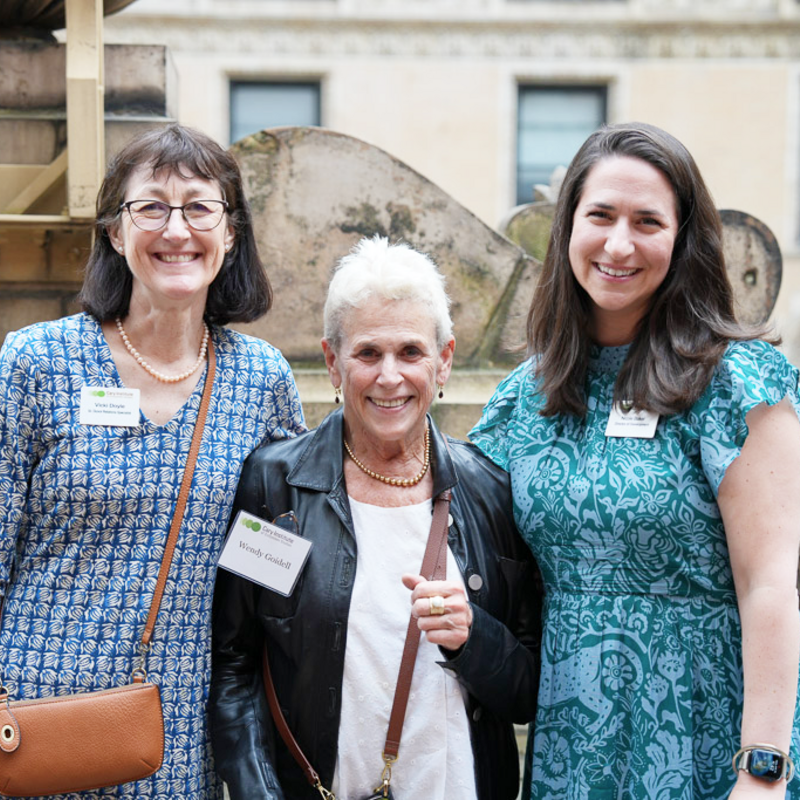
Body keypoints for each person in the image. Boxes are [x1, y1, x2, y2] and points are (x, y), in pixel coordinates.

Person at [469, 121, 800, 799]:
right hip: (572, 747)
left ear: (683, 240)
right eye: (601, 216)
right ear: (568, 228)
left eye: (647, 221)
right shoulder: (525, 397)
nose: (619, 244)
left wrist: (763, 768)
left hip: (707, 736)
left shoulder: (739, 383)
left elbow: (770, 585)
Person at [0, 124, 305, 798]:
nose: (176, 230)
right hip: (29, 720)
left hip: (175, 730)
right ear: (115, 231)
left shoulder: (261, 379)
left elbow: (272, 561)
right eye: (151, 207)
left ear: (230, 233)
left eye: (199, 208)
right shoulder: (35, 362)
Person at [210, 235, 542, 800]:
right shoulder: (276, 487)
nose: (390, 376)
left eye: (411, 352)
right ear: (333, 362)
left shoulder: (490, 490)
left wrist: (474, 637)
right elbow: (233, 667)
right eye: (368, 353)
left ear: (444, 361)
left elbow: (529, 692)